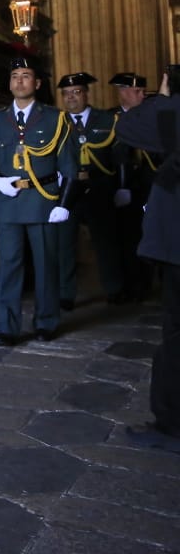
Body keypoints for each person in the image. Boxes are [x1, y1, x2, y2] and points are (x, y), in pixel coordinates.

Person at [0, 57, 77, 345]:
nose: (19, 81)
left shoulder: (56, 118)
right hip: (8, 201)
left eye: (26, 76)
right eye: (15, 76)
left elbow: (69, 166)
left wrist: (64, 204)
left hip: (43, 201)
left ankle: (46, 322)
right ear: (9, 83)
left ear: (37, 83)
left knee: (46, 264)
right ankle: (7, 326)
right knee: (8, 264)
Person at [115, 68, 180, 446]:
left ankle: (172, 422)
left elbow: (130, 127)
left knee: (175, 330)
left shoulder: (171, 113)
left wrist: (165, 97)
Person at [55, 71, 125, 308]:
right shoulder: (57, 122)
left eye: (76, 92)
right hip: (68, 189)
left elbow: (119, 154)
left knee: (106, 241)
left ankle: (114, 289)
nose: (71, 98)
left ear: (86, 93)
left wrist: (122, 187)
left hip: (99, 185)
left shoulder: (106, 120)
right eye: (66, 94)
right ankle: (66, 294)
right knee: (65, 243)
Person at [110, 72, 154, 302]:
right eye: (138, 91)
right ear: (123, 93)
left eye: (143, 91)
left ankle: (144, 284)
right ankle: (123, 286)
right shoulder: (110, 118)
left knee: (146, 237)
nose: (143, 95)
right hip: (117, 189)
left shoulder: (152, 115)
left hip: (148, 187)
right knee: (122, 239)